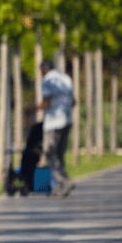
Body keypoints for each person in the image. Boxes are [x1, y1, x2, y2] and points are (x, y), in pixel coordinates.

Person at [35, 60, 75, 197]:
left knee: (49, 153)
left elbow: (45, 102)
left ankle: (64, 180)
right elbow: (74, 101)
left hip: (53, 123)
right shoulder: (66, 78)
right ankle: (60, 187)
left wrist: (33, 109)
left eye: (41, 71)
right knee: (59, 154)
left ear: (45, 69)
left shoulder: (47, 81)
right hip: (67, 121)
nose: (41, 74)